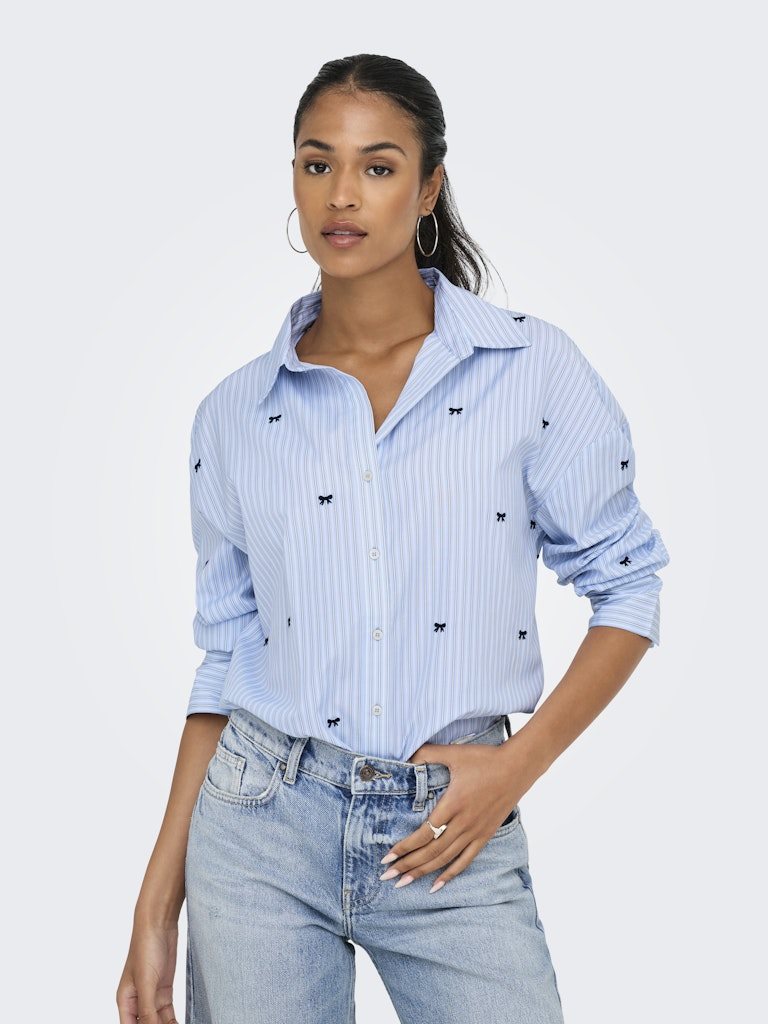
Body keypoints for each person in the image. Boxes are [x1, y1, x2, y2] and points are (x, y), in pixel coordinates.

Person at [117, 53, 670, 1024]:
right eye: (317, 163)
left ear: (428, 188)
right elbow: (226, 659)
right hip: (258, 824)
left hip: (451, 822)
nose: (342, 193)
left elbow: (628, 584)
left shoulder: (529, 370)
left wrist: (517, 766)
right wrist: (158, 898)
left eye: (378, 166)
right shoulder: (235, 415)